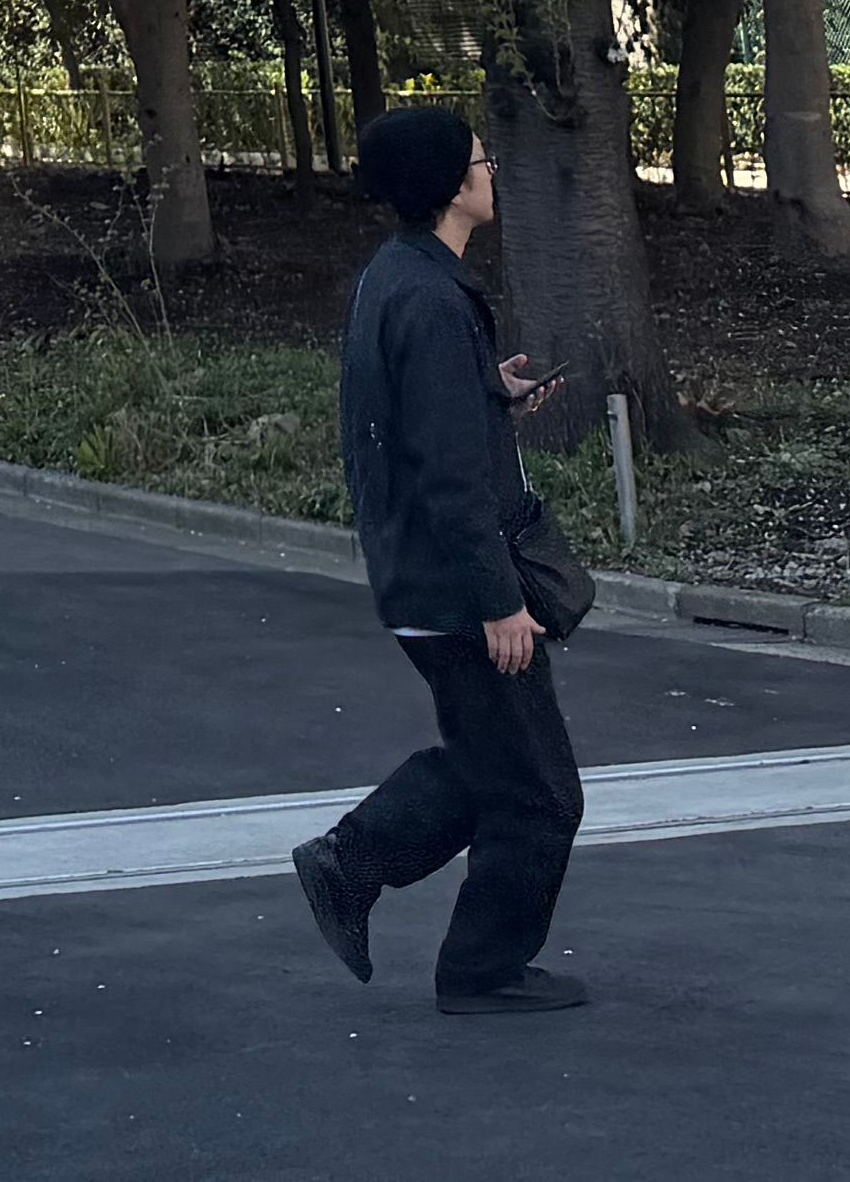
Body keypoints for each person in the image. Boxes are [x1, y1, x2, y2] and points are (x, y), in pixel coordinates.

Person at [292, 102, 586, 1020]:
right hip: (458, 588)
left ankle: (357, 866)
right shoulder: (428, 297)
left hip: (420, 575)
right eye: (482, 161)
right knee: (540, 792)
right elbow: (450, 475)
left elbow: (418, 419)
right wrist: (499, 600)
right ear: (453, 185)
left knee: (499, 765)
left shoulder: (399, 277)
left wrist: (488, 393)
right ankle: (461, 952)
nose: (492, 173)